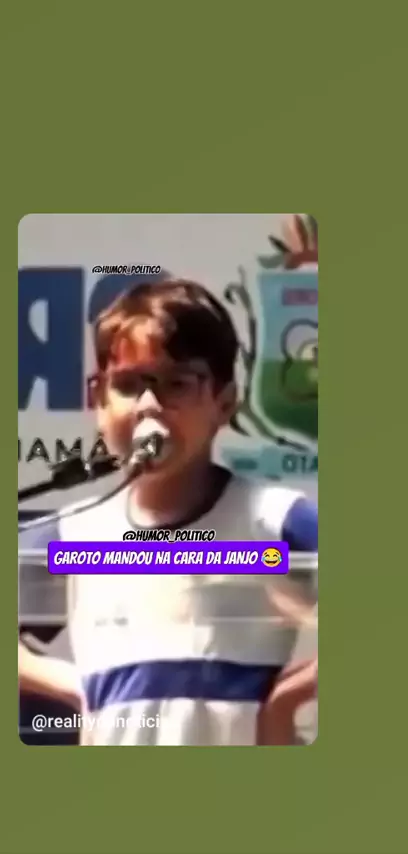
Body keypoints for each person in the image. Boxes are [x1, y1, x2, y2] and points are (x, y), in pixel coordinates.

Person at [18, 279, 318, 745]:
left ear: (224, 403)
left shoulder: (274, 520)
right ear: (98, 400)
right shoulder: (75, 535)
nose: (148, 406)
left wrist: (284, 702)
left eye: (177, 384)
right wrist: (76, 688)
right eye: (128, 385)